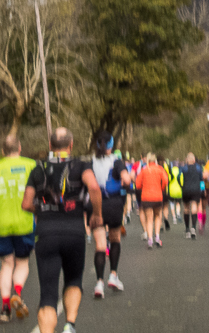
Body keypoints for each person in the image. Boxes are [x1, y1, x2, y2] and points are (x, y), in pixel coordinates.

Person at [22, 126, 103, 333]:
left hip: (46, 233)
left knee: (48, 294)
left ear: (50, 145)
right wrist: (97, 214)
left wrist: (40, 209)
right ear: (71, 144)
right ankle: (70, 324)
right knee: (74, 280)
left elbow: (25, 204)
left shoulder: (38, 169)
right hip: (74, 232)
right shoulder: (81, 166)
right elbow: (93, 187)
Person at [0, 134, 37, 323]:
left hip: (1, 224)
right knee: (22, 263)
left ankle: (5, 308)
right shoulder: (31, 166)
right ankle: (17, 294)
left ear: (2, 151)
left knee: (6, 265)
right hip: (26, 222)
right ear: (20, 148)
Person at [89, 131, 132, 296]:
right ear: (111, 145)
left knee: (100, 245)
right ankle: (113, 275)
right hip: (114, 204)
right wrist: (125, 184)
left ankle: (98, 283)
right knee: (115, 239)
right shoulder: (116, 161)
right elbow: (127, 180)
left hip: (95, 204)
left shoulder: (91, 162)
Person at [133, 151, 168, 248]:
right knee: (158, 216)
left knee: (149, 219)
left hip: (146, 197)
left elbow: (138, 184)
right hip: (158, 196)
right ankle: (157, 237)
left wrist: (143, 187)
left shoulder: (144, 170)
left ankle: (150, 240)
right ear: (155, 160)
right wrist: (162, 187)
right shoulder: (160, 169)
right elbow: (166, 180)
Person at [181, 152, 203, 239]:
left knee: (186, 208)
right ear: (194, 160)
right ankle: (193, 227)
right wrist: (202, 189)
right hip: (196, 190)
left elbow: (179, 177)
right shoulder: (198, 168)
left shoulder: (184, 168)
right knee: (194, 207)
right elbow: (201, 179)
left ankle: (187, 230)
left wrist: (181, 185)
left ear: (187, 160)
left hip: (186, 189)